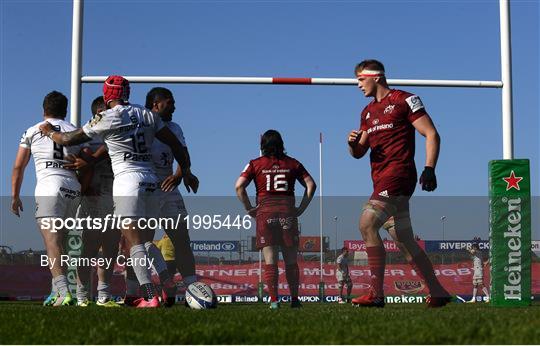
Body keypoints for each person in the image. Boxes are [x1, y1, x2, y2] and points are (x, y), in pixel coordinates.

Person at [39, 76, 198, 308]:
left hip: (127, 182)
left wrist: (49, 132)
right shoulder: (148, 115)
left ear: (107, 96)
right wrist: (186, 170)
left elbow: (67, 138)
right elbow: (176, 145)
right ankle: (167, 281)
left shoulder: (107, 117)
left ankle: (150, 295)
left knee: (133, 243)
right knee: (144, 242)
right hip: (151, 182)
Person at [347, 59, 450, 308]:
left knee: (367, 223)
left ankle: (376, 294)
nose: (358, 85)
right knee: (403, 239)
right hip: (381, 179)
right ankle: (437, 291)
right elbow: (359, 152)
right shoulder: (367, 112)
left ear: (376, 77)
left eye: (361, 79)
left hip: (399, 175)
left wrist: (429, 168)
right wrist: (352, 144)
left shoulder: (405, 100)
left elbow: (431, 133)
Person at [11, 91, 86, 306]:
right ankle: (59, 292)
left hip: (49, 186)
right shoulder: (74, 130)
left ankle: (64, 292)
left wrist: (15, 196)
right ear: (65, 110)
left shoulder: (33, 130)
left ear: (44, 110)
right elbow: (87, 161)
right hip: (74, 188)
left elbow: (18, 166)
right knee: (63, 242)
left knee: (52, 242)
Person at [235, 130, 316, 309]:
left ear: (262, 146)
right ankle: (295, 300)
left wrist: (249, 208)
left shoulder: (254, 164)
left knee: (270, 261)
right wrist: (301, 208)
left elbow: (239, 186)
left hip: (265, 214)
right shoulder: (293, 163)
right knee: (291, 261)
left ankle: (274, 301)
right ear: (281, 144)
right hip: (287, 214)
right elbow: (311, 185)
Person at [147, 87, 198, 301]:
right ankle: (148, 286)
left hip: (169, 188)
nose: (174, 107)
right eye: (170, 103)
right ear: (156, 105)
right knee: (142, 242)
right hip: (146, 188)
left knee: (182, 239)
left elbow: (183, 154)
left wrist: (182, 174)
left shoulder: (175, 128)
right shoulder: (142, 125)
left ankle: (192, 289)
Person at [74, 96, 120, 307]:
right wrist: (85, 180)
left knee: (110, 247)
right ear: (97, 114)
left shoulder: (118, 134)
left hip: (113, 197)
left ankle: (103, 294)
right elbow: (77, 165)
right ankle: (82, 295)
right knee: (89, 248)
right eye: (106, 111)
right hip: (92, 198)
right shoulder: (85, 137)